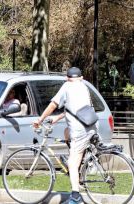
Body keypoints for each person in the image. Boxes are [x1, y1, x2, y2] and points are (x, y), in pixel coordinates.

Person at [33, 67, 97, 204]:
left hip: (80, 131)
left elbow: (53, 105)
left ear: (67, 78)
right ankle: (78, 162)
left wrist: (40, 119)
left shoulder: (67, 86)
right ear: (81, 77)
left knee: (72, 163)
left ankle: (75, 197)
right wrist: (57, 118)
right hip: (91, 125)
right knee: (66, 132)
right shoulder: (84, 87)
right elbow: (74, 109)